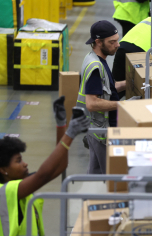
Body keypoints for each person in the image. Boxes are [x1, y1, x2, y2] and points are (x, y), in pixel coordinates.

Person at [0, 97, 89, 236]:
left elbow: (59, 166)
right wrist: (70, 134)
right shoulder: (4, 192)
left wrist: (61, 125)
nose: (25, 163)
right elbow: (44, 174)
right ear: (3, 169)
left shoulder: (20, 185)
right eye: (18, 161)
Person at [76, 21, 127, 174]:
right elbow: (92, 103)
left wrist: (128, 84)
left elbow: (106, 91)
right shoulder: (95, 67)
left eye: (117, 40)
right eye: (112, 42)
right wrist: (124, 105)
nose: (117, 45)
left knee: (96, 176)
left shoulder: (95, 59)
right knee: (109, 179)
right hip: (101, 133)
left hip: (97, 130)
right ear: (98, 42)